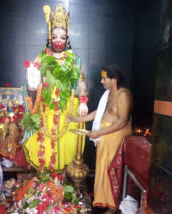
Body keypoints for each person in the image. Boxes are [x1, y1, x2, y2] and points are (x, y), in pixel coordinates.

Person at [23, 3, 88, 171]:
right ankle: (44, 180)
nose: (58, 40)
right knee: (43, 147)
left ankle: (64, 180)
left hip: (67, 111)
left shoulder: (75, 60)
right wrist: (32, 81)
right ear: (50, 37)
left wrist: (83, 101)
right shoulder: (42, 58)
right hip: (46, 109)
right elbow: (32, 83)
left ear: (67, 39)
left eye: (62, 37)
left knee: (68, 147)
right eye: (55, 36)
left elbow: (81, 82)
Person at [68, 64, 133, 214]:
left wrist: (100, 132)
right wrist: (77, 119)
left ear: (114, 79)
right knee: (104, 170)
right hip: (105, 137)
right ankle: (105, 201)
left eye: (104, 78)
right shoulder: (108, 94)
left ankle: (113, 206)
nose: (101, 81)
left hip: (115, 138)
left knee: (113, 171)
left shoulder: (124, 95)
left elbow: (122, 121)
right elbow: (99, 113)